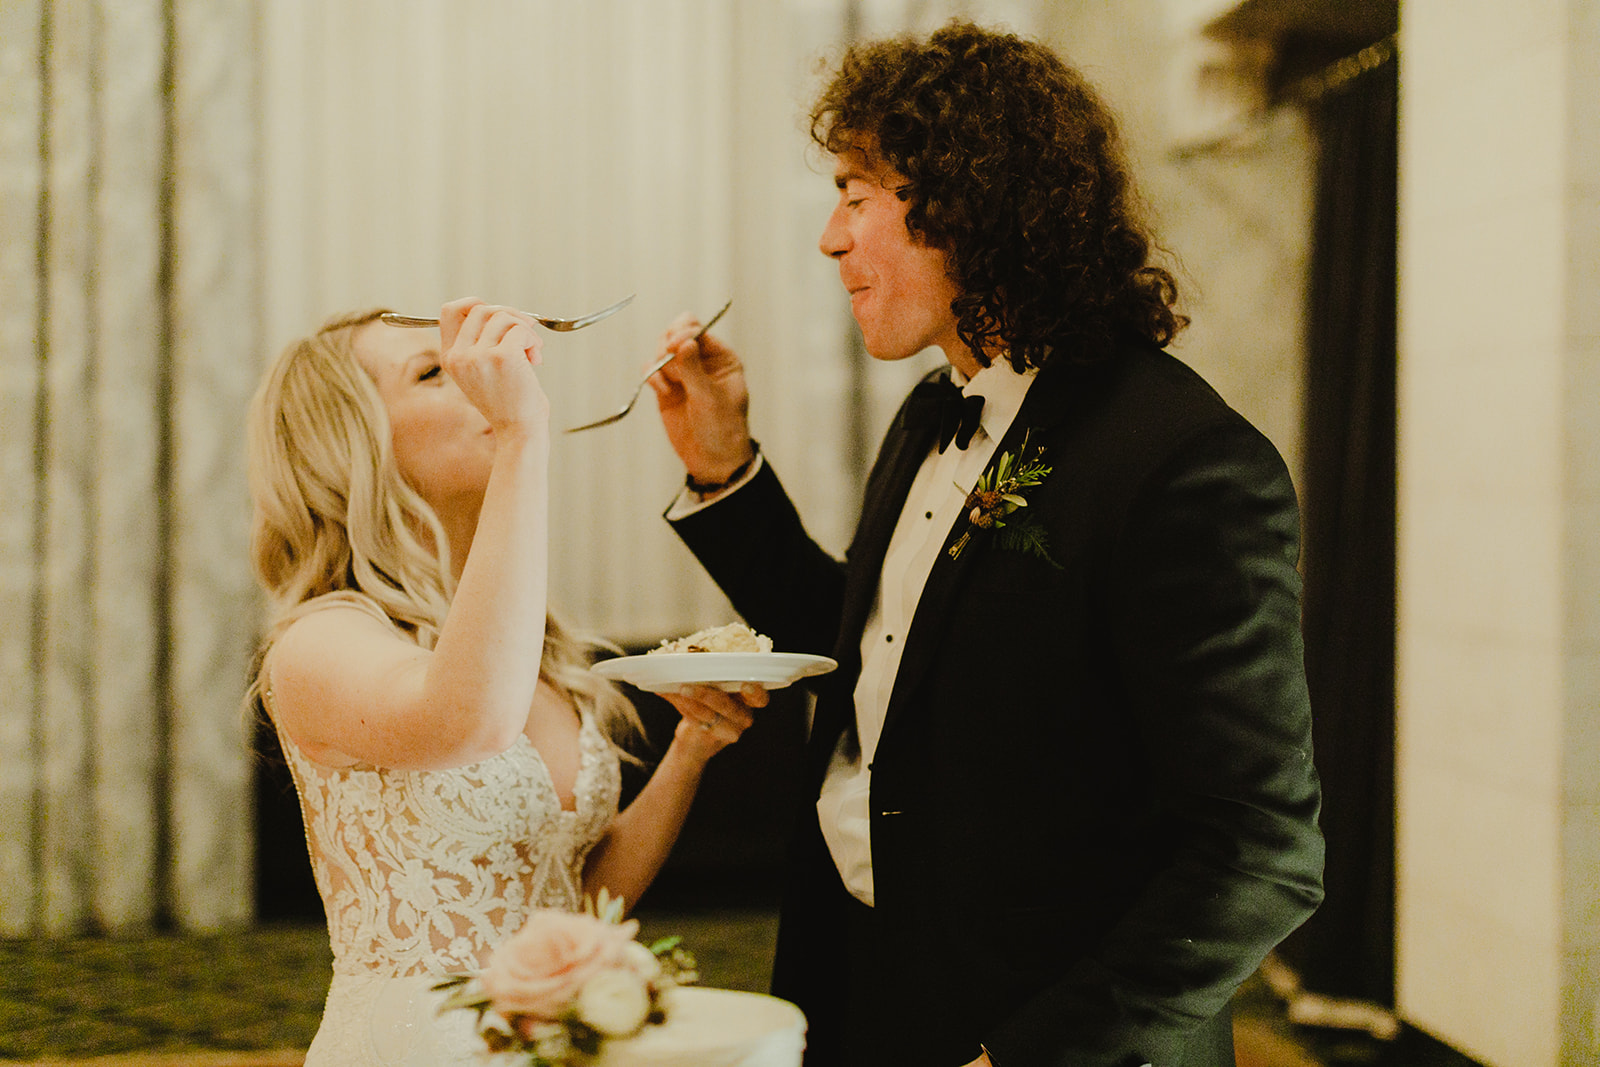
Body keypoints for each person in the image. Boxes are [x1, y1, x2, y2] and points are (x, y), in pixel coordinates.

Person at [647, 20, 1325, 1067]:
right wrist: (721, 468)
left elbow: (1260, 849)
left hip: (1049, 1022)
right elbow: (873, 660)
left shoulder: (1181, 462)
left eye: (854, 196)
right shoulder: (931, 411)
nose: (829, 237)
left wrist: (1031, 1052)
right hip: (866, 976)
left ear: (965, 200)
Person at [245, 299, 755, 1067]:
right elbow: (467, 722)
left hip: (550, 1040)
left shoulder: (531, 649)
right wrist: (521, 435)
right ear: (351, 444)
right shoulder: (320, 640)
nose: (475, 381)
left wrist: (691, 748)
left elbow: (570, 895)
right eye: (432, 372)